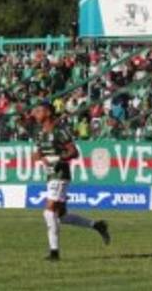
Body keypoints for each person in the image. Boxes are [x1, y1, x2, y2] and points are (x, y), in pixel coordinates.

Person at [31, 103, 110, 260]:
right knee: (61, 216)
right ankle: (97, 225)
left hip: (61, 174)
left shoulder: (60, 130)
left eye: (39, 111)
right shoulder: (40, 133)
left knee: (49, 211)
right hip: (50, 175)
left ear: (48, 113)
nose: (35, 113)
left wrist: (58, 158)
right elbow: (37, 154)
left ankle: (54, 252)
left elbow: (74, 152)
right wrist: (41, 158)